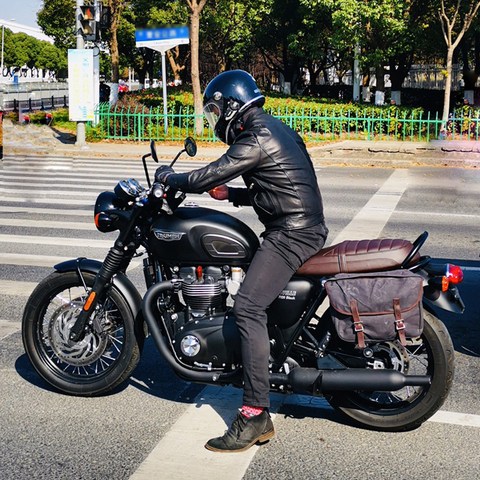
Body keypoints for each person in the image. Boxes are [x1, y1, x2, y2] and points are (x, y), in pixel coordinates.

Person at [155, 70, 328, 453]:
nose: (215, 118)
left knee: (248, 306)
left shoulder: (256, 135)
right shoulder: (272, 128)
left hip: (293, 233)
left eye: (216, 109)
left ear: (233, 106)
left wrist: (174, 178)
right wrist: (232, 193)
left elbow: (209, 171)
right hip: (299, 225)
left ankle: (254, 415)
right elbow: (281, 185)